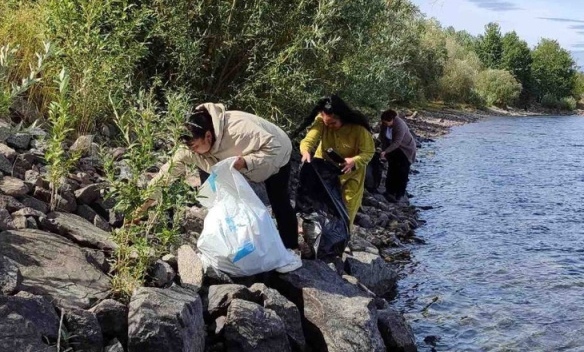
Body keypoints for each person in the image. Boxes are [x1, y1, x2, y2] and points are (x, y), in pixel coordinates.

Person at [152, 103, 298, 249]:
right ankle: (229, 243)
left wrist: (246, 162)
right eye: (191, 148)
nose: (193, 151)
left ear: (208, 136)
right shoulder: (192, 146)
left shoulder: (238, 131)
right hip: (226, 158)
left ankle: (291, 249)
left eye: (195, 146)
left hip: (276, 155)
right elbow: (166, 174)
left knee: (279, 200)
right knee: (219, 202)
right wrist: (141, 207)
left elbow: (275, 146)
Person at [296, 95, 375, 227]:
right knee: (322, 204)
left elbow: (368, 152)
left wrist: (355, 160)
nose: (330, 127)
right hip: (325, 169)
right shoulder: (321, 121)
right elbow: (309, 140)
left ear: (342, 117)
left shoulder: (358, 129)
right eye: (328, 124)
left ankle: (342, 238)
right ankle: (322, 234)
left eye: (333, 123)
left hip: (352, 172)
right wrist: (305, 151)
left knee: (348, 206)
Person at [378, 110, 417, 202]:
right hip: (393, 148)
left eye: (388, 122)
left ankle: (400, 194)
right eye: (384, 122)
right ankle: (389, 191)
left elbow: (397, 142)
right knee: (392, 169)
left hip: (405, 149)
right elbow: (382, 138)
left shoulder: (400, 125)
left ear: (392, 119)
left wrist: (385, 152)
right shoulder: (384, 125)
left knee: (402, 172)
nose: (386, 124)